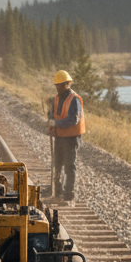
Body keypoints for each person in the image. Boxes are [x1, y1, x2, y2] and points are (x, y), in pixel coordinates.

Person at [47, 69, 84, 201]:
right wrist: (50, 121)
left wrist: (56, 123)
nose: (58, 88)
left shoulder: (74, 99)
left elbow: (73, 119)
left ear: (67, 84)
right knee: (57, 164)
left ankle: (68, 196)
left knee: (69, 166)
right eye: (56, 85)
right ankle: (57, 193)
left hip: (71, 138)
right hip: (59, 137)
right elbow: (51, 113)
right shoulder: (56, 99)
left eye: (60, 85)